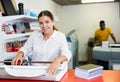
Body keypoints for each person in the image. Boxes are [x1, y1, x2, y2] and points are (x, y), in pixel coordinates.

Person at [11, 10, 72, 75]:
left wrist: (58, 59)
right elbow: (26, 48)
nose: (44, 25)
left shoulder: (60, 36)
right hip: (36, 72)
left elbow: (67, 53)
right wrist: (20, 54)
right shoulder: (34, 35)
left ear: (53, 22)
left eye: (47, 22)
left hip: (52, 72)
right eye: (41, 23)